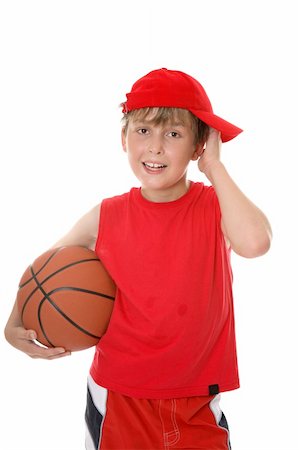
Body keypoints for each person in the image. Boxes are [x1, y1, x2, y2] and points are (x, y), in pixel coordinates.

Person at [4, 68, 272, 450]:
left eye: (174, 134)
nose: (155, 147)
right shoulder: (107, 215)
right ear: (124, 138)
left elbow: (256, 242)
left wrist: (214, 167)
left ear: (199, 146)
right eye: (143, 131)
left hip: (196, 399)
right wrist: (14, 323)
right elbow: (44, 272)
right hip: (118, 397)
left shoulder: (214, 206)